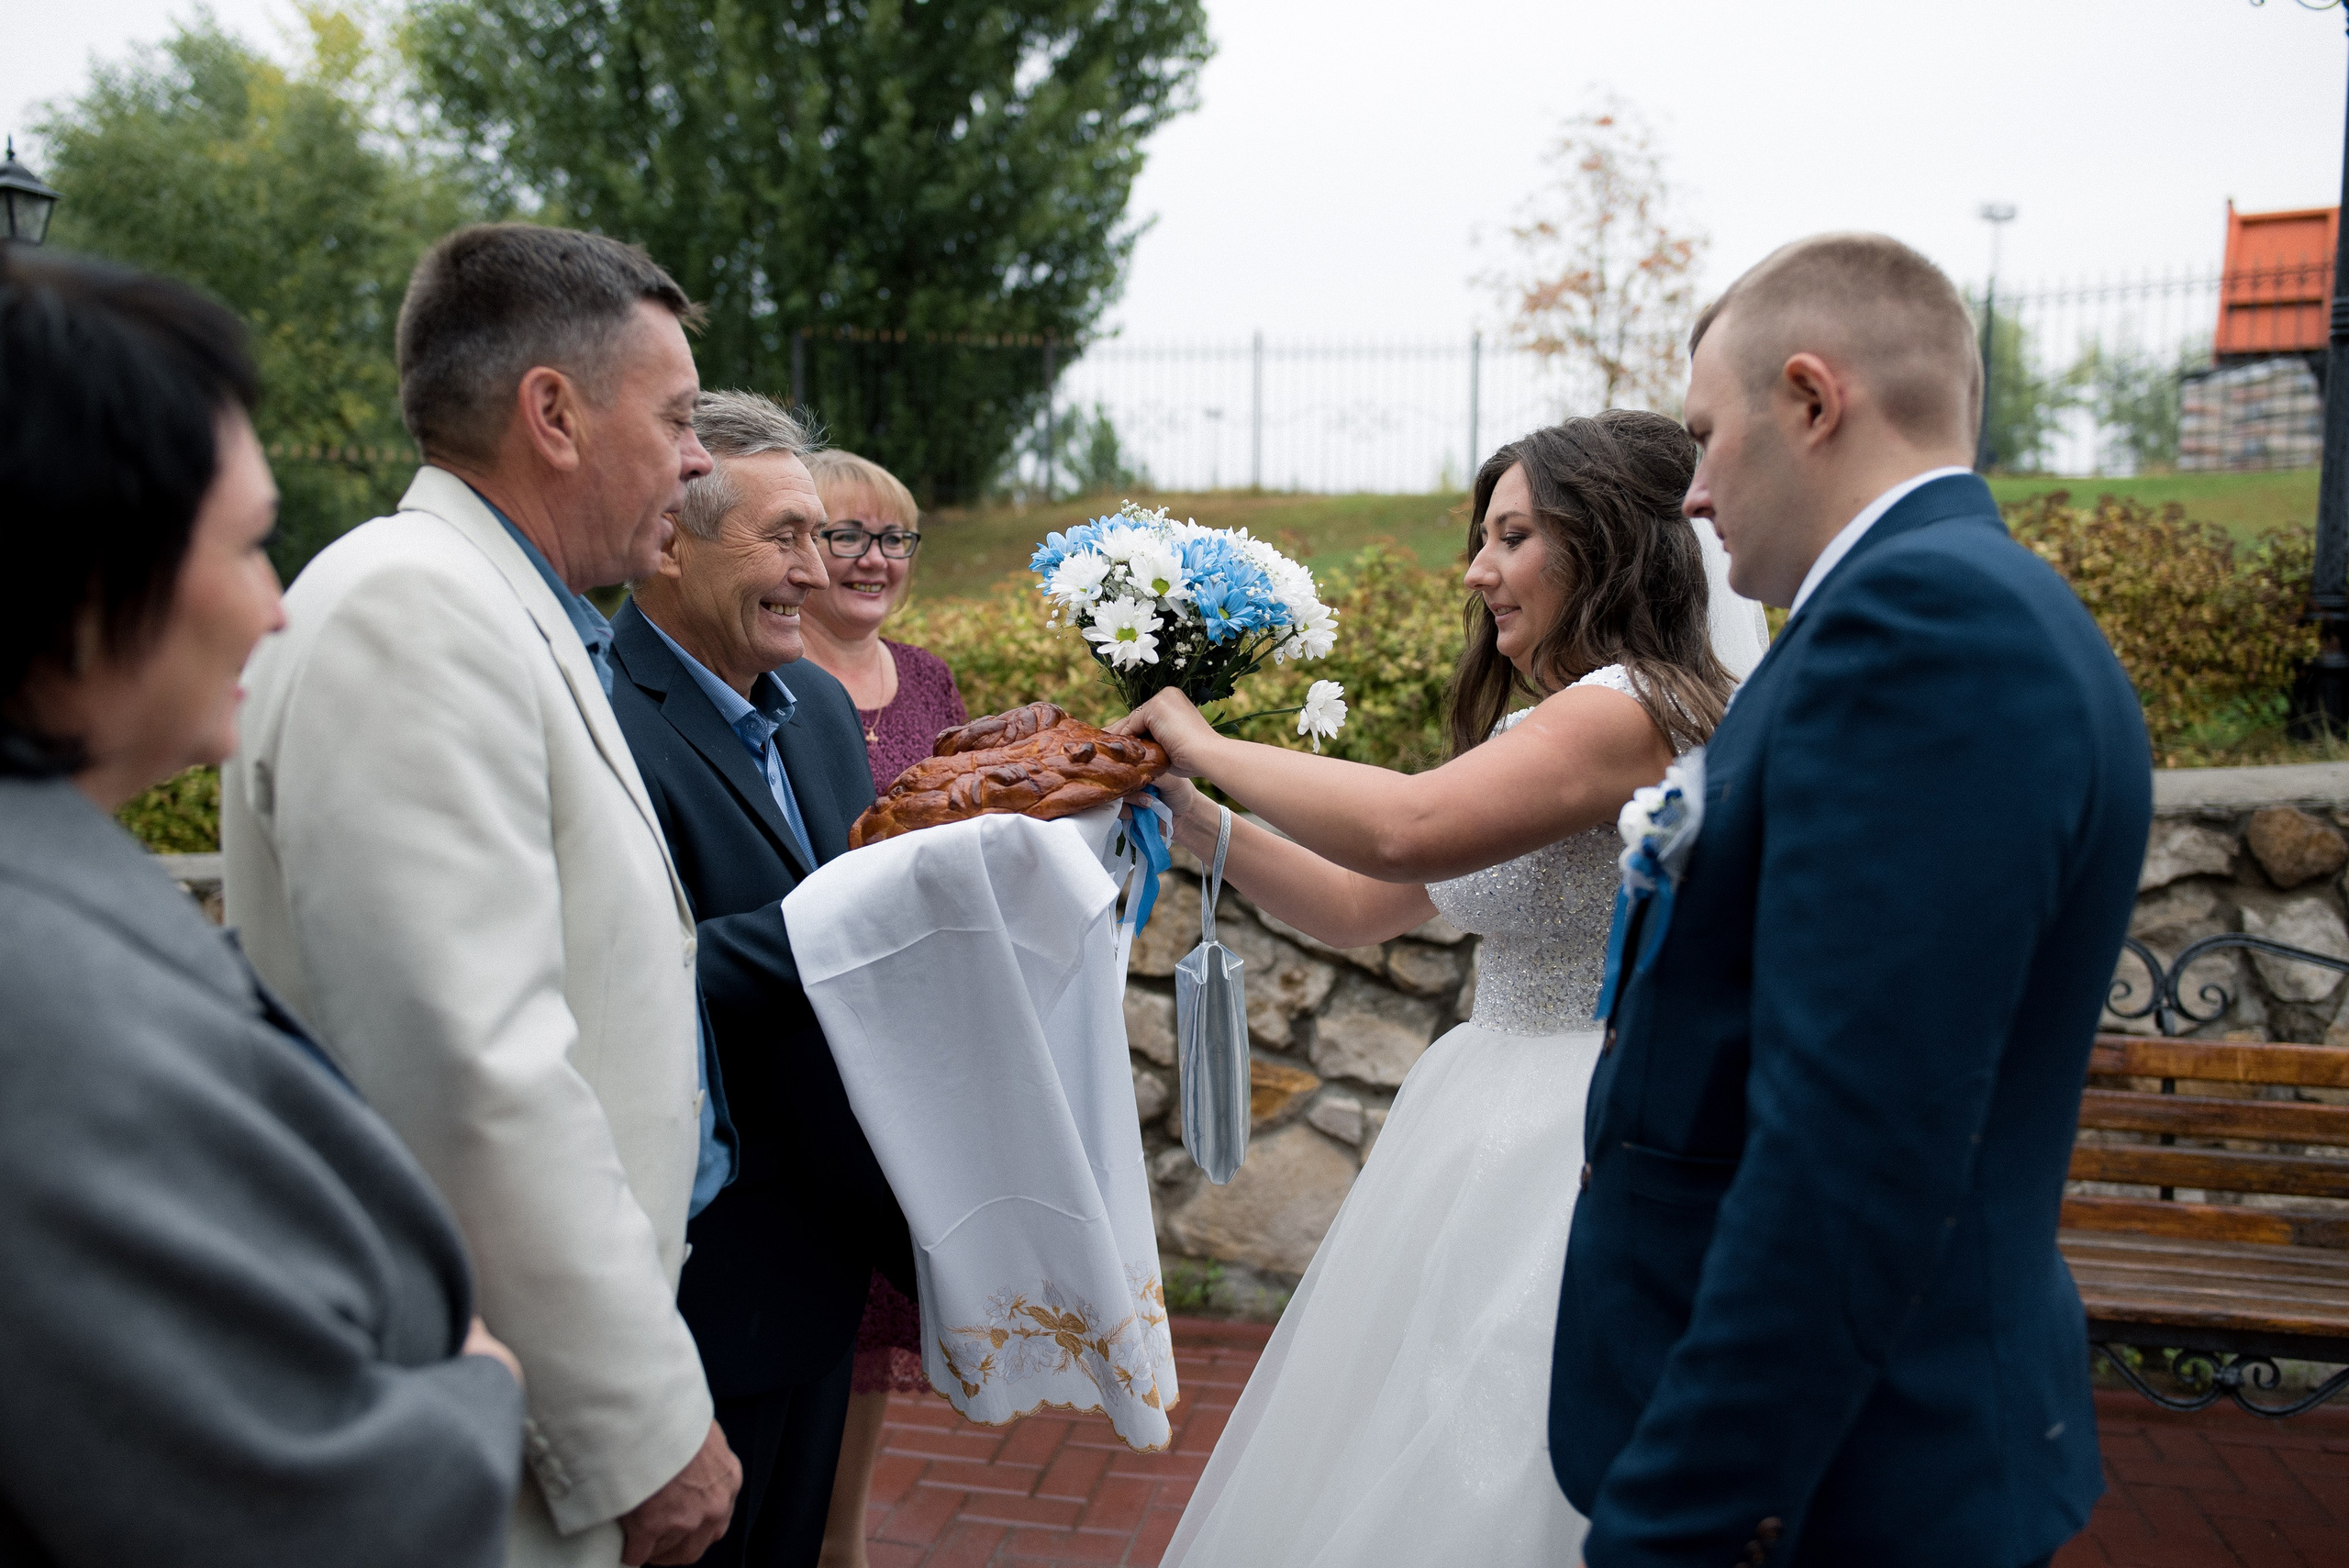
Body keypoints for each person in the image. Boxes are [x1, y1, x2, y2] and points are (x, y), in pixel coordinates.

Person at [1550, 234, 2150, 1568]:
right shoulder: (1915, 606)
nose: (1693, 495)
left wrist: (1678, 1525)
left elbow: (1852, 1147)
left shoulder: (1925, 629)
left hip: (1843, 1481)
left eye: (1707, 436)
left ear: (1813, 400)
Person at [1112, 410, 1768, 1567]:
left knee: (1499, 1447)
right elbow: (1364, 900)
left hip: (1574, 1134)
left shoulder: (1639, 704)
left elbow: (1405, 825)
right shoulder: (1563, 717)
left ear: (1606, 541)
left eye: (1512, 535)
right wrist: (1200, 821)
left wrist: (1199, 735)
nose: (1477, 570)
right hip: (1480, 1119)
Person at [222, 224, 743, 1568]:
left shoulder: (493, 606)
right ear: (553, 414)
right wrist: (638, 1427)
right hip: (497, 1437)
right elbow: (472, 1070)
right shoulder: (417, 611)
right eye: (681, 418)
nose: (702, 460)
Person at [0, 248, 525, 1565]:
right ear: (78, 573)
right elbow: (297, 1505)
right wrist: (478, 1390)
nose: (275, 608)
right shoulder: (37, 999)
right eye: (244, 545)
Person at [604, 391, 915, 1568]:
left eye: (823, 535)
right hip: (696, 1277)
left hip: (824, 1256)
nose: (817, 568)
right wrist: (853, 921)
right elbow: (620, 974)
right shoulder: (602, 717)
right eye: (784, 537)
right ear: (673, 539)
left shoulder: (822, 707)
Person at [789, 447, 966, 1568]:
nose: (872, 559)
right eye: (845, 535)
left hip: (915, 1033)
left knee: (874, 1311)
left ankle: (842, 1539)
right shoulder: (766, 667)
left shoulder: (933, 678)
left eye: (893, 536)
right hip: (801, 1020)